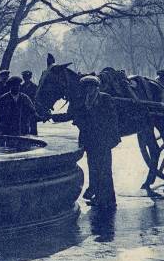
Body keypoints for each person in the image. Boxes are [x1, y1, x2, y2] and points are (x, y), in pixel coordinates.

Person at [49, 75, 121, 210]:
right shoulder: (83, 102)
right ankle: (98, 198)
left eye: (92, 87)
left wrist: (111, 139)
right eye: (87, 87)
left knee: (105, 171)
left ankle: (110, 201)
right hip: (90, 143)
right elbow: (69, 115)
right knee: (94, 170)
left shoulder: (105, 99)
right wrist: (51, 117)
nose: (89, 90)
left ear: (96, 87)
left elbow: (112, 120)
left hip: (103, 142)